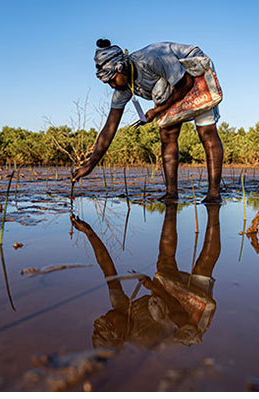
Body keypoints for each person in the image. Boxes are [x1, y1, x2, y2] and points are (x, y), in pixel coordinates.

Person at [71, 39, 224, 203]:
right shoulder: (124, 88)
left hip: (192, 71)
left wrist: (156, 111)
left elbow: (185, 82)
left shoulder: (151, 58)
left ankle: (213, 193)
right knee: (167, 134)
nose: (112, 85)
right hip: (172, 85)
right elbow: (110, 128)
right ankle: (171, 193)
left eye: (112, 80)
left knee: (206, 131)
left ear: (120, 68)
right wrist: (90, 165)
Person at [70, 202, 221, 349]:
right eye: (109, 321)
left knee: (164, 262)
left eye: (104, 316)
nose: (109, 313)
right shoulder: (148, 337)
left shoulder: (120, 311)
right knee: (203, 266)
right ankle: (214, 211)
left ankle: (171, 206)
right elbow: (179, 315)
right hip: (187, 315)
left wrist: (89, 233)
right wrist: (155, 288)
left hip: (167, 298)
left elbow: (108, 269)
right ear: (121, 335)